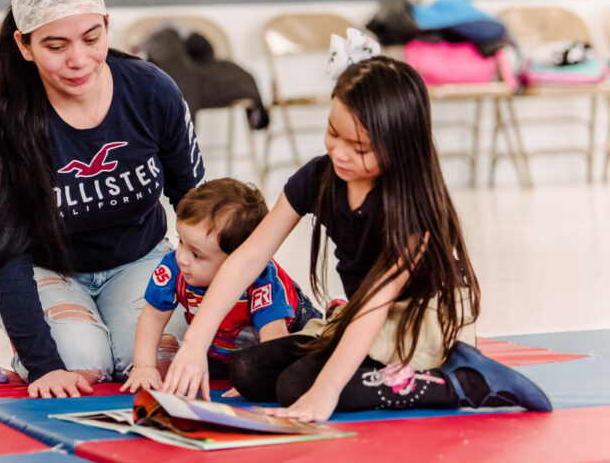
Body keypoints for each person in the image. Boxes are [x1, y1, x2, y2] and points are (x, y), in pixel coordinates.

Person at [163, 53, 552, 421]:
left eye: (360, 147)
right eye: (333, 133)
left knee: (298, 386)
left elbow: (376, 305)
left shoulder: (413, 210)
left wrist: (328, 389)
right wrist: (196, 341)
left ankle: (457, 381)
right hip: (362, 317)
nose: (340, 153)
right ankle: (361, 373)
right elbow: (248, 258)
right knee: (248, 371)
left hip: (415, 322)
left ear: (400, 147)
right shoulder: (318, 177)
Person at [0, 0, 205, 398]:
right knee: (80, 369)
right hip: (47, 270)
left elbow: (197, 205)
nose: (78, 60)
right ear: (24, 45)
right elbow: (6, 255)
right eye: (55, 46)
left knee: (155, 366)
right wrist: (42, 365)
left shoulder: (152, 91)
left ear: (107, 26)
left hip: (141, 258)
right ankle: (68, 339)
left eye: (92, 38)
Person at [121, 178, 320, 395]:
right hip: (223, 345)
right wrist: (144, 367)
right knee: (177, 368)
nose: (182, 258)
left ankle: (334, 322)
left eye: (197, 254)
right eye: (180, 241)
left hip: (286, 333)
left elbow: (274, 334)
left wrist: (257, 377)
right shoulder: (174, 267)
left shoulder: (261, 280)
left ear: (235, 261)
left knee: (302, 373)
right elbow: (153, 317)